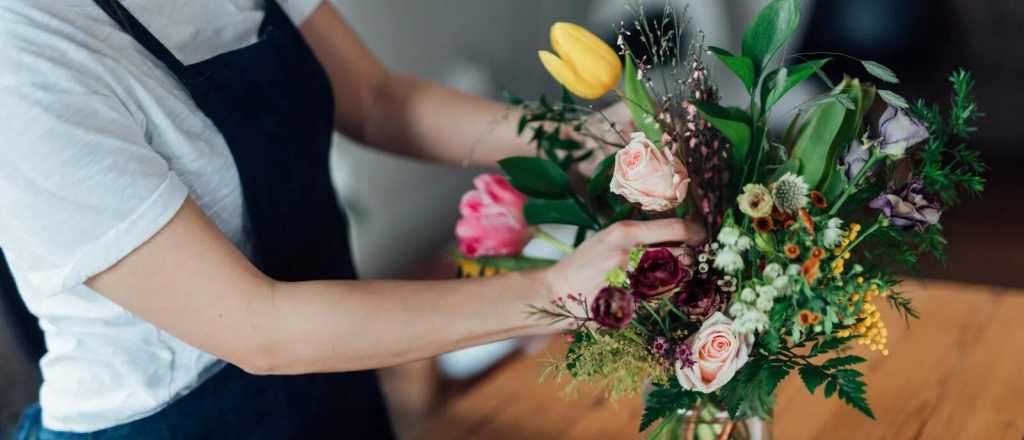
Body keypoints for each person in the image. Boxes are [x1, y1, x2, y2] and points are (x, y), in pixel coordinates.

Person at [0, 1, 705, 438]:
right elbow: (257, 328)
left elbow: (375, 100)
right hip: (176, 423)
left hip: (337, 379)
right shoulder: (21, 56)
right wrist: (554, 294)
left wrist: (585, 141)